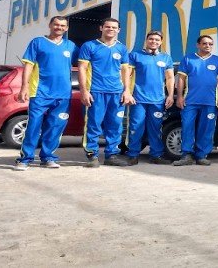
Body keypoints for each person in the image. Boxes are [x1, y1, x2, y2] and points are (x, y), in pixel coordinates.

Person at [14, 16, 78, 171]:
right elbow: (28, 66)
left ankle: (48, 157)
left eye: (62, 25)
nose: (59, 27)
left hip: (63, 94)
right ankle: (25, 159)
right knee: (33, 126)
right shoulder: (37, 42)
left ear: (67, 28)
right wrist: (24, 87)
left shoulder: (71, 46)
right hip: (40, 92)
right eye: (56, 24)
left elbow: (84, 64)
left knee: (55, 127)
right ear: (50, 25)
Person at [78, 18, 135, 167]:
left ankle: (111, 155)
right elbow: (82, 68)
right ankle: (92, 155)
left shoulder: (122, 48)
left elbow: (125, 70)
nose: (111, 29)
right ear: (101, 28)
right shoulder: (89, 46)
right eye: (108, 27)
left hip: (116, 93)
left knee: (115, 125)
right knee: (93, 125)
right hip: (96, 92)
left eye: (114, 27)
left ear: (119, 30)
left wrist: (127, 91)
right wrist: (84, 91)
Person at [174, 35, 218, 166]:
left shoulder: (217, 61)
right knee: (187, 127)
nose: (207, 46)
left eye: (210, 44)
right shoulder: (188, 59)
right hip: (189, 102)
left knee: (207, 129)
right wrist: (179, 96)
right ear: (198, 45)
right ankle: (186, 155)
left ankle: (202, 155)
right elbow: (181, 79)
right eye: (204, 43)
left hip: (210, 102)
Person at [126, 30, 174, 165]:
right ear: (146, 40)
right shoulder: (135, 55)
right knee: (136, 127)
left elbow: (170, 78)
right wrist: (127, 92)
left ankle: (156, 155)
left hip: (158, 100)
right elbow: (127, 75)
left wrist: (170, 95)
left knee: (156, 128)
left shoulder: (166, 58)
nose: (154, 41)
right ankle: (133, 155)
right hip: (138, 99)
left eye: (157, 40)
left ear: (161, 42)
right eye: (151, 39)